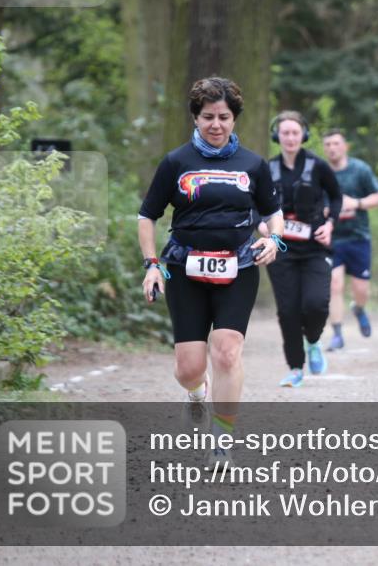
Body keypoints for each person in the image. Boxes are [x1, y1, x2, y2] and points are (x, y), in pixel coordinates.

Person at [138, 76, 284, 464]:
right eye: (207, 117)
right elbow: (147, 216)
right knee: (189, 367)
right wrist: (152, 266)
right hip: (184, 268)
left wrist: (274, 240)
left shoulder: (253, 164)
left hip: (239, 266)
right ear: (196, 118)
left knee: (227, 351)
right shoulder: (176, 162)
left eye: (223, 117)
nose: (215, 124)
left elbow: (274, 215)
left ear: (234, 119)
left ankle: (222, 440)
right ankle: (196, 393)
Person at [264, 111, 342, 387]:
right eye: (284, 132)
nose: (290, 137)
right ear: (277, 136)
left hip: (314, 249)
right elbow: (254, 205)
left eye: (295, 132)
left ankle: (313, 340)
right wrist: (262, 226)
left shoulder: (318, 166)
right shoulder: (267, 169)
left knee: (316, 304)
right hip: (280, 250)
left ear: (303, 135)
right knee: (288, 311)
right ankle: (296, 368)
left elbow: (336, 196)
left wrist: (330, 223)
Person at [322, 128, 378, 351]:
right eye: (328, 144)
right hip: (332, 239)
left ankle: (358, 309)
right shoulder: (320, 173)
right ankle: (337, 334)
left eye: (336, 143)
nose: (332, 148)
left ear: (345, 146)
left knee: (361, 290)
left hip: (358, 237)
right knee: (334, 284)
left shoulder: (360, 170)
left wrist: (355, 203)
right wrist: (324, 211)